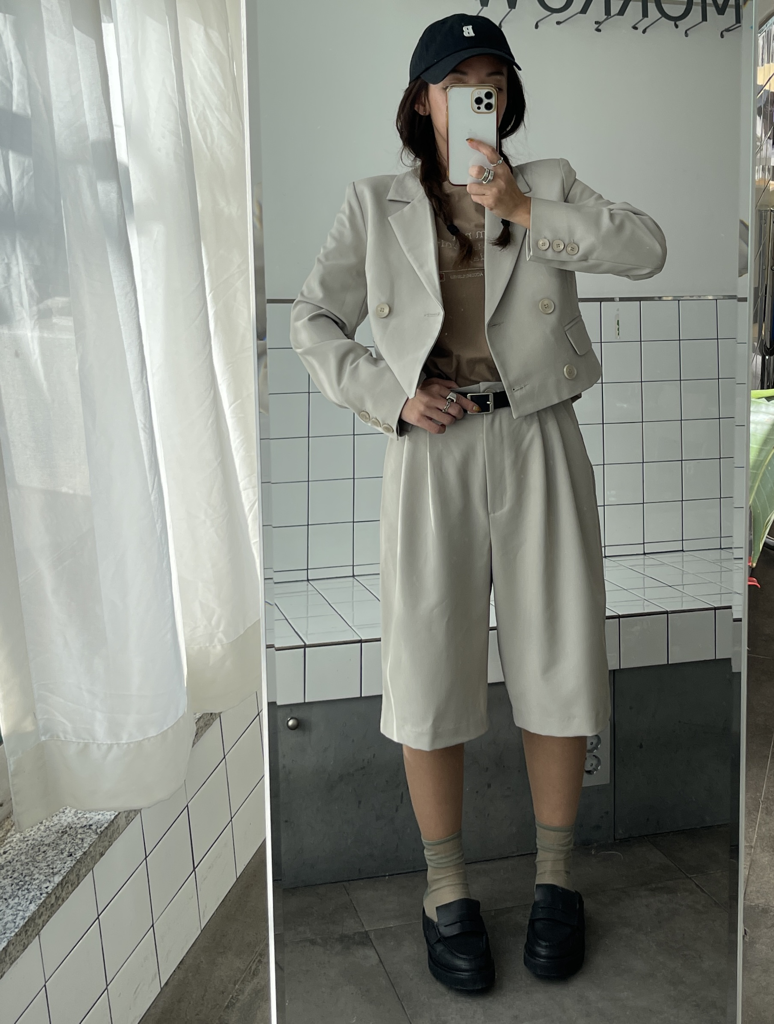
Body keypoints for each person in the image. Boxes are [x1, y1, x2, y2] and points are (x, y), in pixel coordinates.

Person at [289, 11, 666, 995]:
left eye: (489, 82)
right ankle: (446, 888)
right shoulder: (372, 204)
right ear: (423, 101)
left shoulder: (548, 184)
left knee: (560, 654)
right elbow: (311, 318)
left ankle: (555, 882)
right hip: (432, 448)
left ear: (508, 97)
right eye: (456, 84)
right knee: (428, 663)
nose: (474, 98)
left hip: (539, 432)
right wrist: (389, 394)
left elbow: (646, 250)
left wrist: (524, 206)